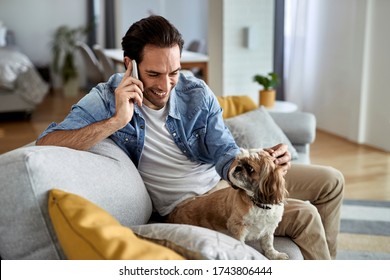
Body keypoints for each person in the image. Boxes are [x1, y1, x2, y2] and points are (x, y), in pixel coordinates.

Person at [36, 15, 344, 260]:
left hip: (226, 182)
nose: (165, 85)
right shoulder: (105, 99)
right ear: (129, 64)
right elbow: (47, 144)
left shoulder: (195, 92)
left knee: (331, 181)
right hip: (188, 204)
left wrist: (261, 164)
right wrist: (117, 121)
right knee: (304, 215)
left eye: (174, 72)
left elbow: (224, 151)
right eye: (154, 74)